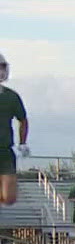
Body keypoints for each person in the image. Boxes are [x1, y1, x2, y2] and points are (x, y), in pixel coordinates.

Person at [0, 52, 27, 207]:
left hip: (5, 150)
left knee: (9, 198)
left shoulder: (11, 96)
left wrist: (22, 142)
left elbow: (23, 120)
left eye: (2, 67)